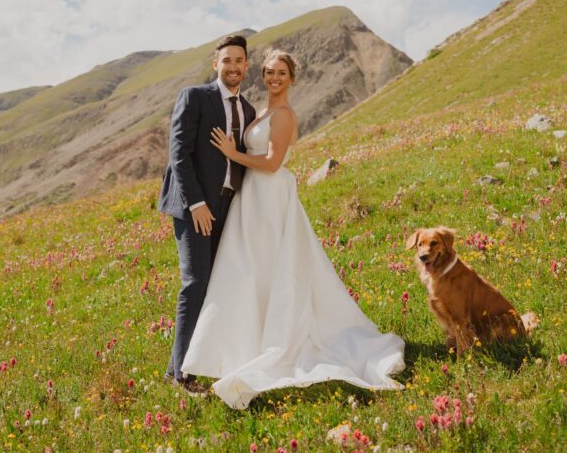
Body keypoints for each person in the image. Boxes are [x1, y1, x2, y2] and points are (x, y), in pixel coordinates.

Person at [181, 50, 405, 409]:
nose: (274, 78)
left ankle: (273, 339)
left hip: (269, 198)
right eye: (269, 71)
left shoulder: (283, 115)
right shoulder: (260, 112)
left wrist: (231, 153)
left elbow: (271, 163)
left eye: (281, 73)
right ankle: (240, 344)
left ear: (292, 78)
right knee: (250, 272)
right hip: (251, 200)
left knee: (269, 269)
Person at [158, 34, 257, 395]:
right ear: (215, 64)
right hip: (192, 206)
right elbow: (178, 155)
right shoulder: (195, 97)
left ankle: (176, 369)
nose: (233, 67)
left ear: (247, 67)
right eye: (226, 60)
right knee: (195, 283)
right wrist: (196, 204)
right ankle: (184, 376)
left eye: (239, 61)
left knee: (214, 286)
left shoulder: (247, 110)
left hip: (226, 206)